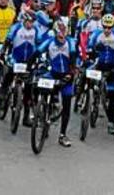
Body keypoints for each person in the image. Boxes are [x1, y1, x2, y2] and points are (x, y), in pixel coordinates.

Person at [38, 19, 78, 147]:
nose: (62, 33)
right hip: (53, 74)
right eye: (60, 31)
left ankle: (62, 135)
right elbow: (36, 53)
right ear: (55, 32)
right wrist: (30, 68)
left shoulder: (71, 43)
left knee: (66, 105)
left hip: (66, 75)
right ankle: (44, 115)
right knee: (41, 89)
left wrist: (70, 75)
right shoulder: (49, 42)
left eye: (64, 30)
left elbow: (73, 62)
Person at [86, 14, 114, 134]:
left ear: (113, 26)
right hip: (99, 64)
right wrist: (92, 50)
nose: (107, 30)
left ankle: (111, 122)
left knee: (112, 94)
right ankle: (86, 99)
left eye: (109, 27)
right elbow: (89, 46)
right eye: (105, 27)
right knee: (87, 76)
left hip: (112, 66)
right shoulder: (97, 33)